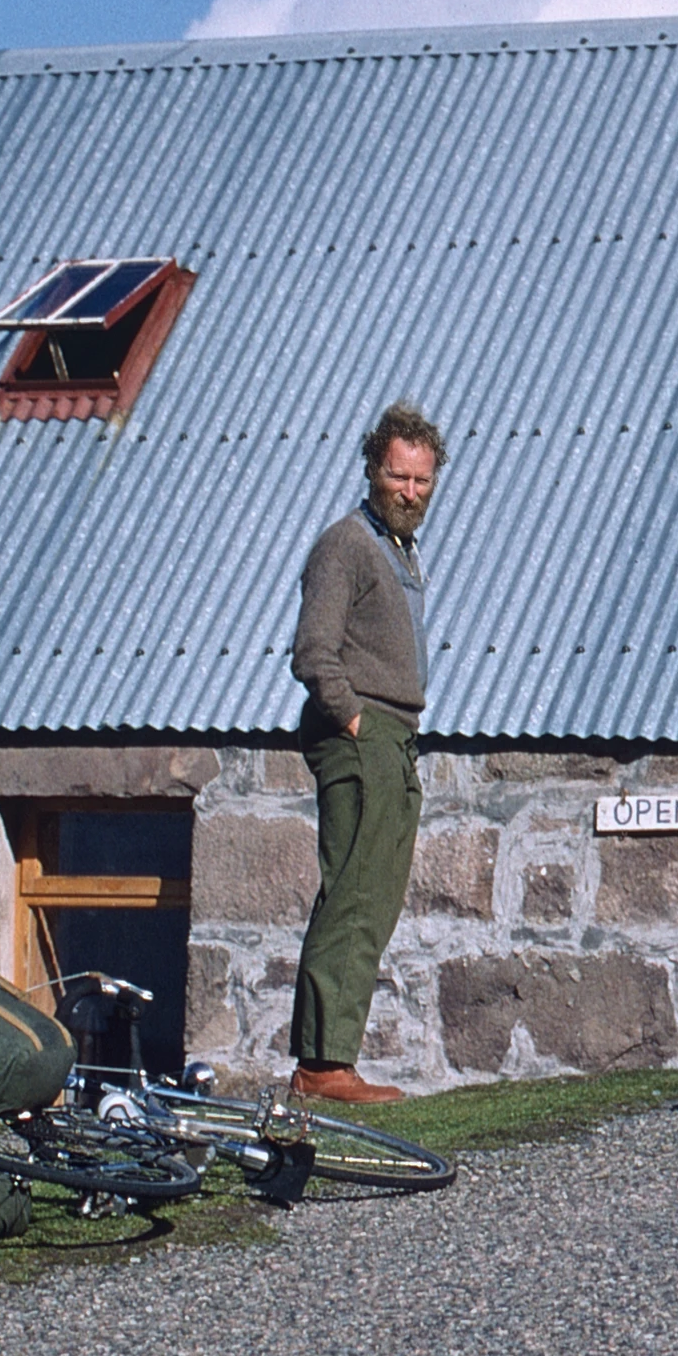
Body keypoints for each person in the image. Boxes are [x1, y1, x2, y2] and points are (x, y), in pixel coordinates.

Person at [284, 402, 445, 1103]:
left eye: (421, 481)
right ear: (372, 470)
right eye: (397, 476)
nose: (408, 491)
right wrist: (351, 720)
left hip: (395, 736)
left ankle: (333, 1057)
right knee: (351, 895)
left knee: (376, 899)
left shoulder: (401, 552)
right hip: (362, 735)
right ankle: (321, 1066)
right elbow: (313, 652)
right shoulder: (345, 545)